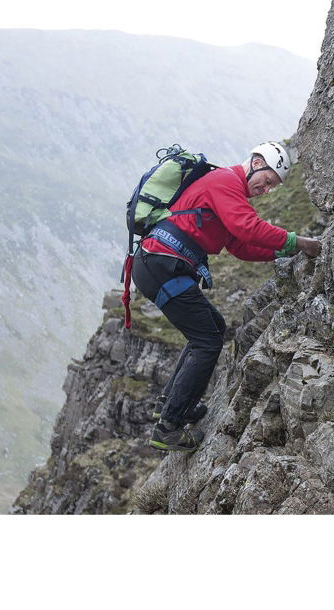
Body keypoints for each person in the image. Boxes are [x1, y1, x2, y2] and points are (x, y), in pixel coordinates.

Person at [131, 141, 322, 453]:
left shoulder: (228, 190)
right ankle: (169, 427)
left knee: (211, 329)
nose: (267, 190)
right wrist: (297, 243)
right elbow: (247, 228)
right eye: (268, 181)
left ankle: (171, 404)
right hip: (162, 264)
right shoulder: (225, 182)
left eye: (273, 187)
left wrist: (281, 254)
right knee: (207, 340)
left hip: (160, 264)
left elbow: (240, 246)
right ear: (257, 162)